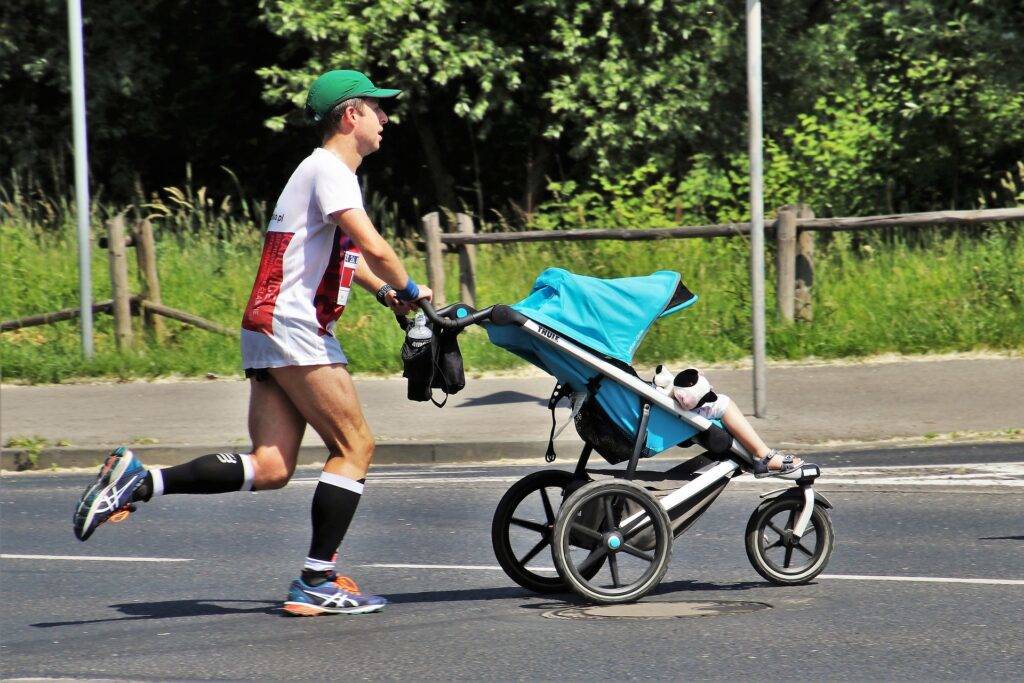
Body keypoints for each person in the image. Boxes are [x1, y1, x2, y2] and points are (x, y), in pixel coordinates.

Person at [73, 69, 431, 617]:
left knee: (270, 467)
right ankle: (317, 579)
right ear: (349, 115)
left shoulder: (315, 174)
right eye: (376, 109)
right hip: (295, 327)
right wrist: (411, 289)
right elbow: (374, 245)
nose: (386, 119)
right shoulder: (331, 170)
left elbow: (338, 256)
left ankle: (142, 482)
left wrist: (387, 296)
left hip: (267, 324)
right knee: (355, 446)